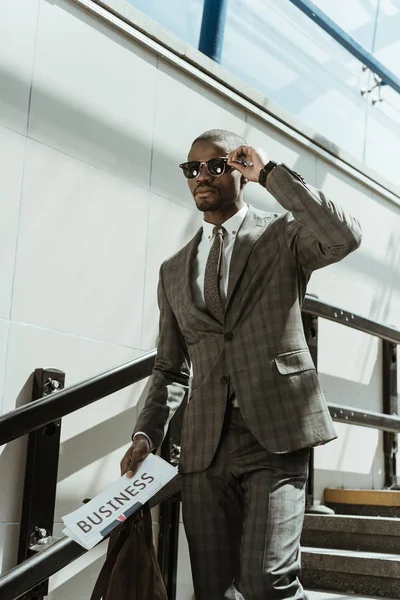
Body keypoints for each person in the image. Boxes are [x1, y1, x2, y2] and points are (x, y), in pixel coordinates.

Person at [120, 129, 362, 600]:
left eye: (215, 165)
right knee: (213, 587)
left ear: (239, 170)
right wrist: (146, 433)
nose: (201, 177)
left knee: (266, 581)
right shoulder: (173, 269)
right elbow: (169, 367)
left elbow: (344, 237)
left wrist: (271, 174)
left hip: (276, 431)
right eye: (192, 169)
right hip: (204, 446)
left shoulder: (281, 234)